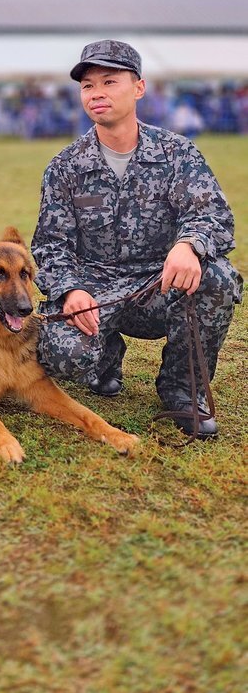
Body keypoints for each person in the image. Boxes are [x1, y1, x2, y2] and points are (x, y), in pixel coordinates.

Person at [32, 40, 242, 437]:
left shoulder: (177, 153)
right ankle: (105, 357)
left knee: (216, 278)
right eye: (88, 86)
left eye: (109, 82)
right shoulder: (66, 167)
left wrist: (188, 245)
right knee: (59, 356)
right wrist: (71, 289)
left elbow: (212, 214)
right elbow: (50, 244)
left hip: (159, 285)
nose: (97, 93)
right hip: (95, 292)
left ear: (139, 88)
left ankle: (183, 389)